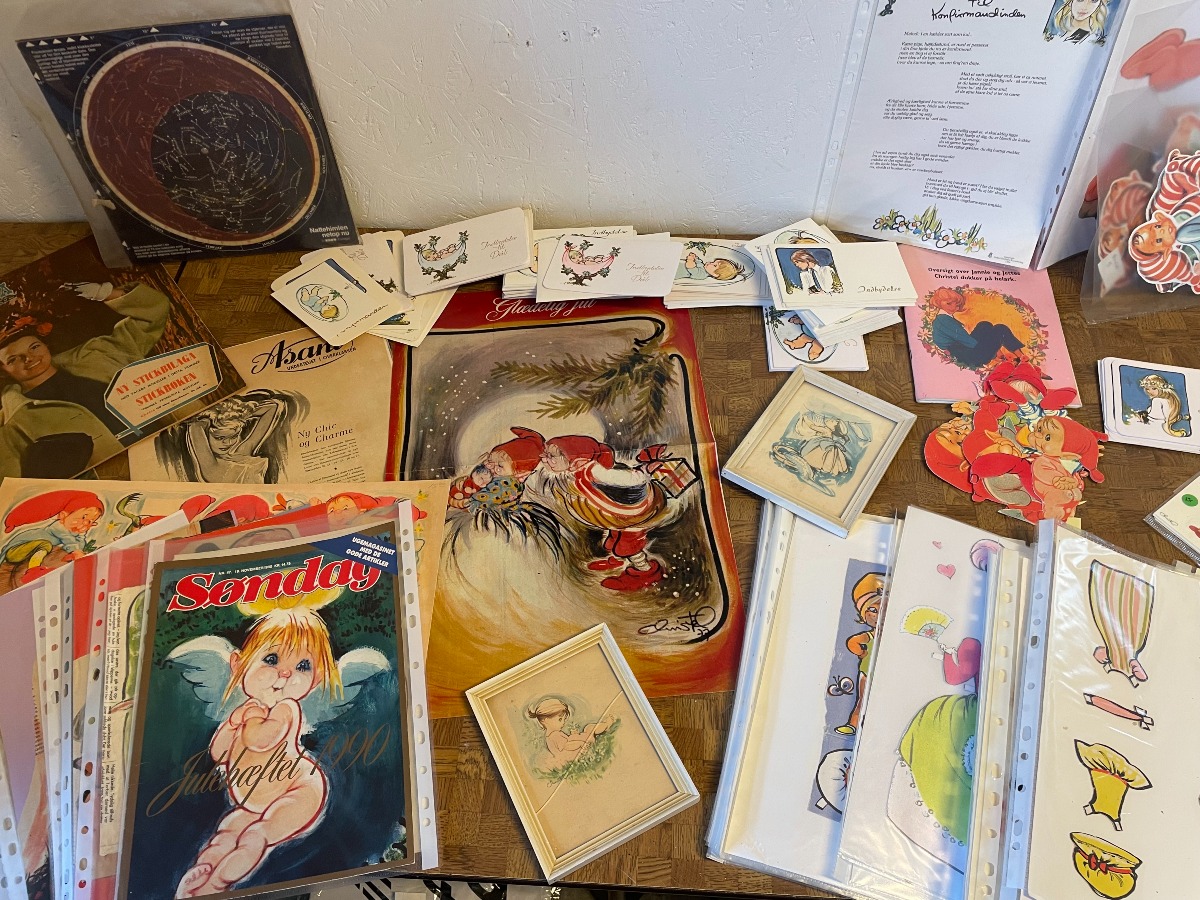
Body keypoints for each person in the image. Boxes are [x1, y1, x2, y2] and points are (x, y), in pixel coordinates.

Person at [176, 606, 338, 898]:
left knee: (256, 835)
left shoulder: (286, 710)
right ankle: (204, 869)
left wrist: (247, 720)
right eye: (271, 659)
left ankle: (217, 885)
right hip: (254, 802)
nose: (285, 674)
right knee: (228, 830)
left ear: (315, 679)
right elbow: (219, 753)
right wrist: (232, 724)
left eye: (303, 666)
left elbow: (261, 740)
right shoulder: (247, 711)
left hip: (299, 792)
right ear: (239, 665)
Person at [0, 280, 168, 478]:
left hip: (176, 445)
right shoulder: (14, 423)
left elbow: (154, 312)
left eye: (34, 347)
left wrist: (103, 292)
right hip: (129, 484)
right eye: (13, 359)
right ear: (3, 371)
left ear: (45, 345)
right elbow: (15, 484)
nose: (29, 358)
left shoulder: (97, 354)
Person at [539, 433, 670, 591]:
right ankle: (619, 560)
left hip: (633, 514)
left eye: (551, 456)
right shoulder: (570, 473)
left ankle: (646, 571)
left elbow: (630, 479)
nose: (544, 458)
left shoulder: (595, 471)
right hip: (614, 516)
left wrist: (645, 470)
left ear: (577, 461)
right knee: (612, 538)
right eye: (545, 454)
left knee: (627, 545)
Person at [1, 489, 104, 584]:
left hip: (29, 550)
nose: (85, 523)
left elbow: (78, 544)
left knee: (46, 546)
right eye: (83, 517)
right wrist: (76, 552)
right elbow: (69, 540)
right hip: (15, 550)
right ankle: (33, 571)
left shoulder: (71, 532)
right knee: (45, 545)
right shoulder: (58, 528)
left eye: (90, 521)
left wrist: (81, 534)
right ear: (63, 516)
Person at [184, 396, 287, 484]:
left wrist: (238, 414)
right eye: (219, 438)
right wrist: (213, 417)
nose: (228, 443)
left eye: (233, 436)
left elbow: (272, 408)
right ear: (205, 434)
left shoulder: (242, 453)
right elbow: (196, 425)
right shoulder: (210, 466)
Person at [926, 287, 1025, 371]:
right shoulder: (944, 321)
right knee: (1000, 329)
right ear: (939, 304)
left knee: (984, 325)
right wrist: (989, 346)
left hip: (964, 350)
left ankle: (1000, 355)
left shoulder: (943, 318)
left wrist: (989, 342)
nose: (955, 307)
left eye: (956, 305)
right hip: (970, 357)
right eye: (949, 304)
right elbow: (967, 341)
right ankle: (1021, 357)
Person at [837, 572, 885, 735]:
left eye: (884, 608)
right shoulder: (871, 635)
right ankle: (853, 725)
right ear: (864, 615)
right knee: (863, 700)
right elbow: (853, 642)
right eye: (873, 610)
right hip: (867, 673)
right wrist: (862, 653)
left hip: (886, 673)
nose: (878, 615)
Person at [526, 697, 615, 770]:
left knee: (586, 730)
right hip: (576, 754)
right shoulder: (554, 735)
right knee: (589, 728)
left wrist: (573, 736)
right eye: (560, 719)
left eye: (564, 719)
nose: (563, 722)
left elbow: (566, 743)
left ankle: (604, 725)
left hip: (571, 755)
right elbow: (567, 745)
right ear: (545, 720)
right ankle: (606, 724)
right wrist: (580, 743)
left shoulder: (550, 735)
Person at [1131, 373, 1189, 437]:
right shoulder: (1167, 400)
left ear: (1160, 388)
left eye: (1154, 388)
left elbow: (1154, 419)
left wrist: (1142, 419)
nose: (1150, 391)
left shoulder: (1157, 400)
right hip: (1159, 425)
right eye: (1147, 389)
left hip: (1155, 426)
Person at [676, 250, 745, 283]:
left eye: (714, 265)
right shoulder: (702, 266)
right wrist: (695, 257)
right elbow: (698, 262)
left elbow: (690, 267)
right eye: (713, 262)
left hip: (675, 272)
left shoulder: (702, 275)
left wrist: (690, 260)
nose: (710, 263)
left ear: (715, 274)